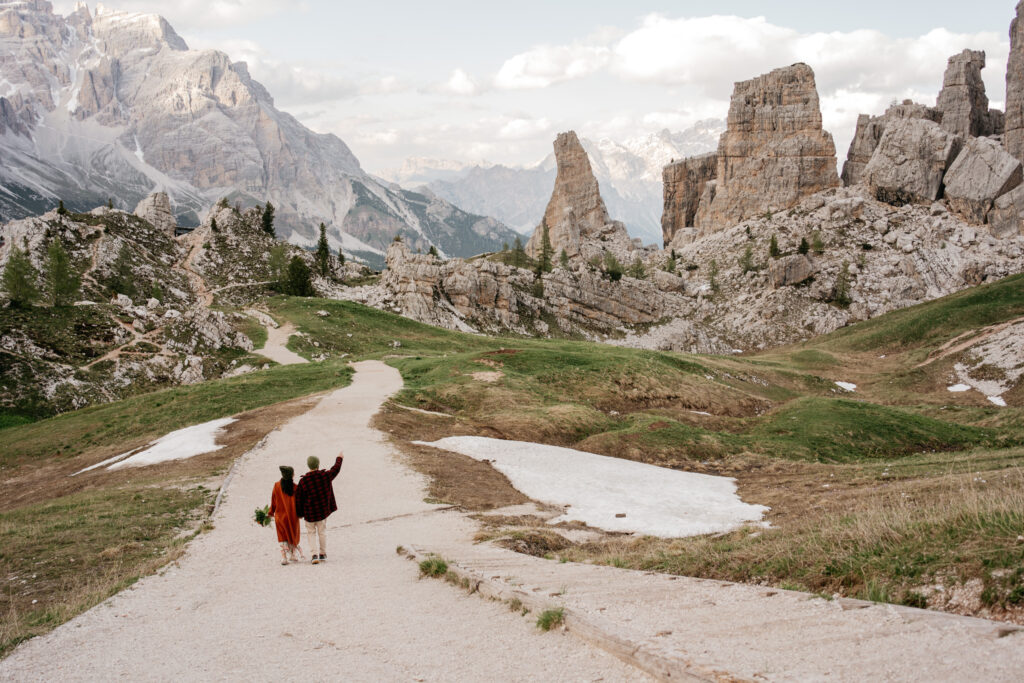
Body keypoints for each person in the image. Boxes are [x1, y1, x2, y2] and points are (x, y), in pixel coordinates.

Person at [294, 453, 343, 565]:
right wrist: (339, 458)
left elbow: (299, 499)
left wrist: (299, 513)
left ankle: (314, 554)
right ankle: (322, 553)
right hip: (321, 513)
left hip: (309, 514)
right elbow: (335, 469)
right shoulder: (325, 476)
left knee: (311, 533)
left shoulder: (303, 481)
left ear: (308, 466)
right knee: (322, 532)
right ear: (318, 464)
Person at [268, 465, 304, 565]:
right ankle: (293, 555)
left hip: (280, 516)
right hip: (293, 517)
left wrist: (271, 512)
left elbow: (273, 501)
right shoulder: (295, 488)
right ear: (292, 475)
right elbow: (299, 503)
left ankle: (284, 557)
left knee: (283, 536)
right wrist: (301, 514)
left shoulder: (276, 485)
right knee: (293, 535)